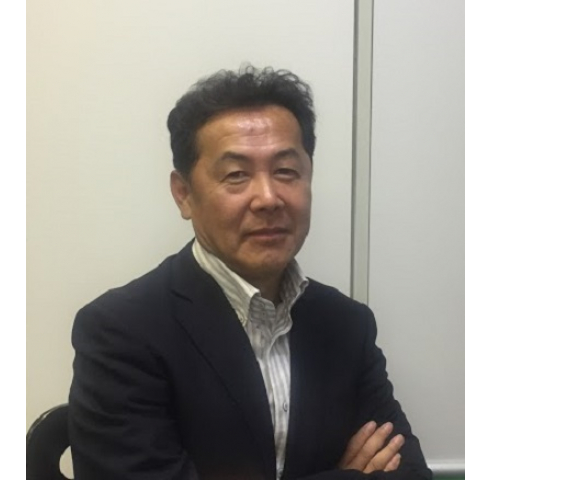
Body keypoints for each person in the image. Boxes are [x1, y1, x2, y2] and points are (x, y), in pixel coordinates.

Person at [68, 66, 432, 480]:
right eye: (236, 175)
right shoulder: (121, 332)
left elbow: (411, 473)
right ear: (184, 194)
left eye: (286, 171)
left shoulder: (346, 325)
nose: (268, 198)